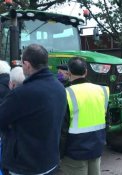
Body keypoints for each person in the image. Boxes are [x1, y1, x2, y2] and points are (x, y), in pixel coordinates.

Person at [0, 44, 67, 174]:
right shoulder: (59, 87)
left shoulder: (22, 93)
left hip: (26, 165)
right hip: (50, 161)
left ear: (27, 64)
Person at [59, 57, 109, 175]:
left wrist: (59, 153)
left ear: (69, 72)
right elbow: (107, 120)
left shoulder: (65, 93)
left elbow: (62, 128)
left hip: (74, 152)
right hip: (96, 147)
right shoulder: (102, 90)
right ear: (86, 72)